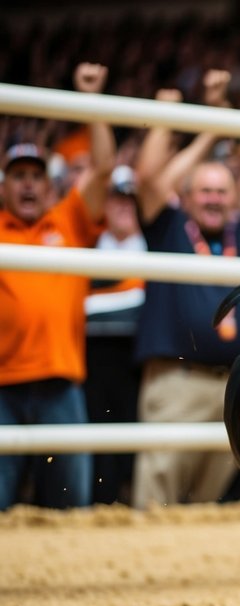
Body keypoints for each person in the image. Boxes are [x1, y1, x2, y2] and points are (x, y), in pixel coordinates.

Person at [131, 70, 240, 509]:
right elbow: (149, 179)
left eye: (222, 190)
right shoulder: (168, 226)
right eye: (205, 190)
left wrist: (228, 115)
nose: (215, 198)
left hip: (231, 387)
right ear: (188, 196)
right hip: (176, 383)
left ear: (233, 197)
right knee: (155, 502)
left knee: (207, 507)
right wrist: (208, 129)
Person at [0, 62, 114, 511]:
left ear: (49, 185)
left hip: (61, 385)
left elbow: (104, 168)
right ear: (5, 186)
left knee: (71, 507)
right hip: (2, 386)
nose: (28, 184)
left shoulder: (67, 219)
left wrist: (90, 100)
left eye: (35, 175)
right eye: (19, 176)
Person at [85, 165, 146, 506]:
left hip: (137, 358)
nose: (124, 205)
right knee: (98, 444)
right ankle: (101, 505)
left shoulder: (155, 241)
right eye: (117, 197)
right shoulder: (88, 240)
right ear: (104, 203)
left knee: (132, 445)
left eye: (131, 199)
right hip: (92, 356)